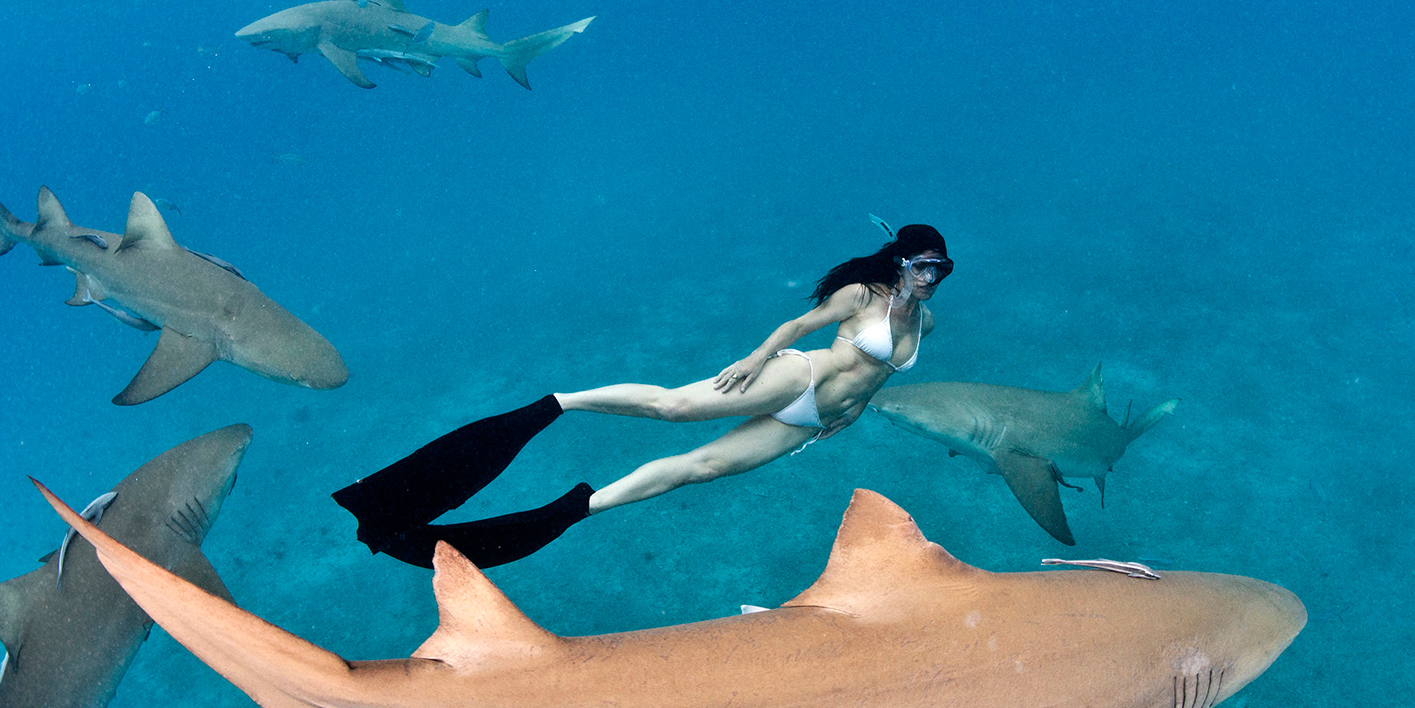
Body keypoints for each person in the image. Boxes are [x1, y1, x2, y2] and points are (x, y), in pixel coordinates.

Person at [333, 224, 953, 569]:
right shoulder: (863, 297)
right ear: (900, 260)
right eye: (925, 266)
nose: (933, 278)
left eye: (942, 270)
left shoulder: (924, 324)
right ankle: (559, 402)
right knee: (672, 408)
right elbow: (800, 327)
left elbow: (880, 375)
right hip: (798, 377)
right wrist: (758, 357)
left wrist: (854, 411)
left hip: (816, 418)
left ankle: (571, 511)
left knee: (700, 469)